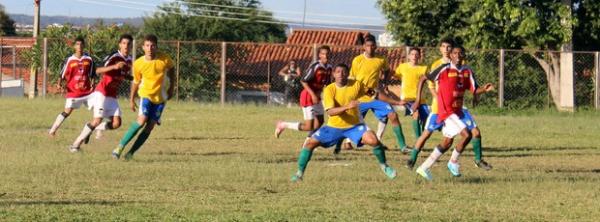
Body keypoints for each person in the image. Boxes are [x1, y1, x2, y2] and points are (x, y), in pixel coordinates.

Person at [291, 64, 397, 182]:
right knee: (310, 143)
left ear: (348, 74)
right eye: (338, 72)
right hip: (334, 127)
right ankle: (299, 174)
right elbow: (330, 112)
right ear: (334, 74)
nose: (341, 74)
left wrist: (394, 101)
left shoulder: (356, 84)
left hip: (355, 126)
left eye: (343, 72)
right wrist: (347, 106)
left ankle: (384, 166)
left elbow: (374, 93)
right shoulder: (330, 89)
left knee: (374, 140)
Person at [406, 38, 493, 170]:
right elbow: (428, 82)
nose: (447, 50)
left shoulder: (466, 70)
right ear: (444, 51)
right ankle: (413, 158)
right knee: (428, 133)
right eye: (445, 47)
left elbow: (474, 88)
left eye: (449, 47)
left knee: (471, 133)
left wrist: (482, 91)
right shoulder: (439, 66)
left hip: (458, 109)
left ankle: (478, 160)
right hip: (441, 109)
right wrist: (419, 101)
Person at [112, 34, 175, 160]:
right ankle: (120, 147)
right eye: (147, 45)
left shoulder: (165, 59)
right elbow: (136, 82)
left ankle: (130, 153)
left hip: (161, 98)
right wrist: (131, 99)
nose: (150, 48)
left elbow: (172, 71)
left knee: (150, 126)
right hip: (145, 95)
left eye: (152, 46)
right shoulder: (138, 63)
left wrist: (171, 88)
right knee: (141, 120)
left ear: (156, 47)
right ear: (143, 47)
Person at [68, 34, 133, 152]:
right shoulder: (114, 57)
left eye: (128, 44)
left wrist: (131, 78)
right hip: (102, 92)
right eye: (124, 43)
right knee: (97, 120)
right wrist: (114, 66)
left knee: (117, 123)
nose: (126, 46)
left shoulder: (130, 60)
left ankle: (92, 129)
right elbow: (97, 70)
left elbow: (123, 75)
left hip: (112, 95)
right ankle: (75, 145)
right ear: (119, 44)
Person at [345, 34, 410, 152]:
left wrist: (384, 84)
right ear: (364, 47)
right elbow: (351, 78)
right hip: (360, 97)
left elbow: (386, 71)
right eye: (368, 46)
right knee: (351, 119)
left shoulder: (381, 59)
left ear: (376, 46)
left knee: (392, 115)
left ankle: (402, 146)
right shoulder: (357, 60)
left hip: (375, 96)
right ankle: (347, 142)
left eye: (372, 45)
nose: (370, 48)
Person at [275, 45, 332, 139]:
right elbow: (303, 81)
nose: (325, 56)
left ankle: (308, 142)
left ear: (330, 55)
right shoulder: (316, 66)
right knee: (309, 126)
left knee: (320, 122)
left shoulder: (329, 67)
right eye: (323, 54)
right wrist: (313, 94)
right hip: (308, 96)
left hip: (316, 97)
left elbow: (328, 84)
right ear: (319, 55)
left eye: (327, 54)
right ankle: (283, 124)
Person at [48, 36, 96, 137]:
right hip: (74, 91)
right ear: (74, 46)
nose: (79, 46)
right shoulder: (70, 60)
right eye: (77, 44)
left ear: (84, 46)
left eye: (81, 44)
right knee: (67, 111)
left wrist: (93, 83)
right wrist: (59, 84)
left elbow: (92, 74)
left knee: (98, 111)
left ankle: (96, 134)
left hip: (87, 91)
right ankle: (52, 131)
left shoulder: (89, 59)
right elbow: (61, 74)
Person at [393, 47, 429, 139]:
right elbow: (395, 76)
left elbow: (428, 81)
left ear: (419, 56)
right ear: (408, 56)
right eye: (412, 54)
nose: (414, 56)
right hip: (407, 98)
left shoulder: (423, 68)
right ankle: (418, 139)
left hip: (421, 99)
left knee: (426, 118)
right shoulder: (402, 67)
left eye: (416, 54)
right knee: (415, 114)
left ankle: (421, 136)